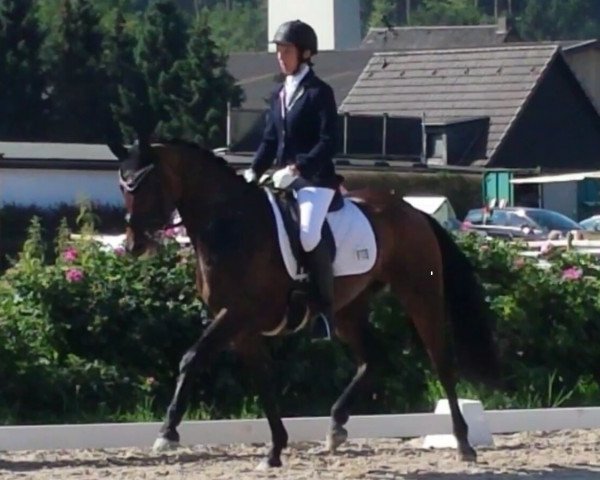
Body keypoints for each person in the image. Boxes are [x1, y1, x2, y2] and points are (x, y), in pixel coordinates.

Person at [242, 20, 338, 341]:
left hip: (315, 180)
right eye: (279, 51)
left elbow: (328, 142)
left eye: (287, 51)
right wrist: (254, 170)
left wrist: (298, 168)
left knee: (308, 235)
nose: (281, 56)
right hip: (281, 180)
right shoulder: (279, 93)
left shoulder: (319, 93)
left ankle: (324, 312)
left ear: (305, 53)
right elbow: (270, 140)